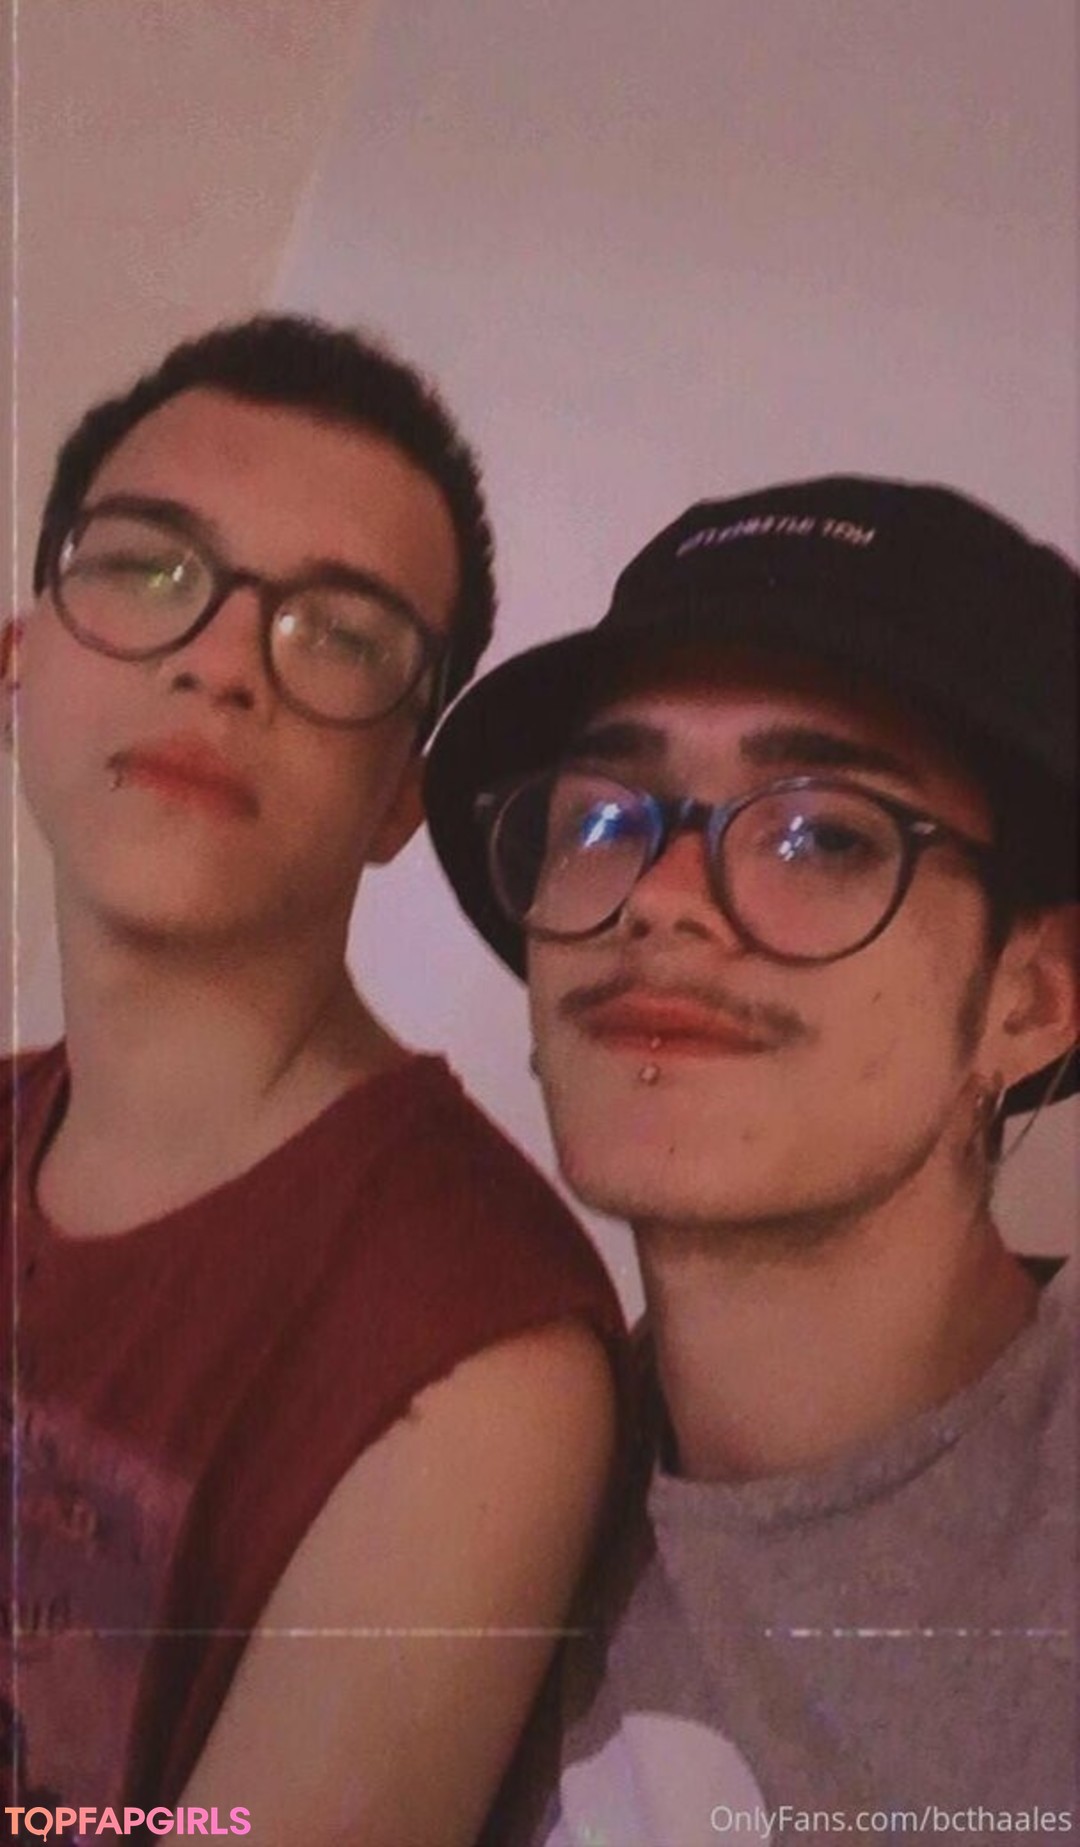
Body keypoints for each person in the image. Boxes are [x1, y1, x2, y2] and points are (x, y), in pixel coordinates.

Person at [0, 314, 623, 1844]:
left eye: (339, 634)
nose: (220, 662)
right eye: (148, 568)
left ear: (403, 792)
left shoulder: (471, 1354)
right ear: (19, 665)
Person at [426, 475, 1078, 1842]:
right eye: (601, 818)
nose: (660, 898)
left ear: (1030, 1001)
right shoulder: (460, 1490)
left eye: (820, 833)